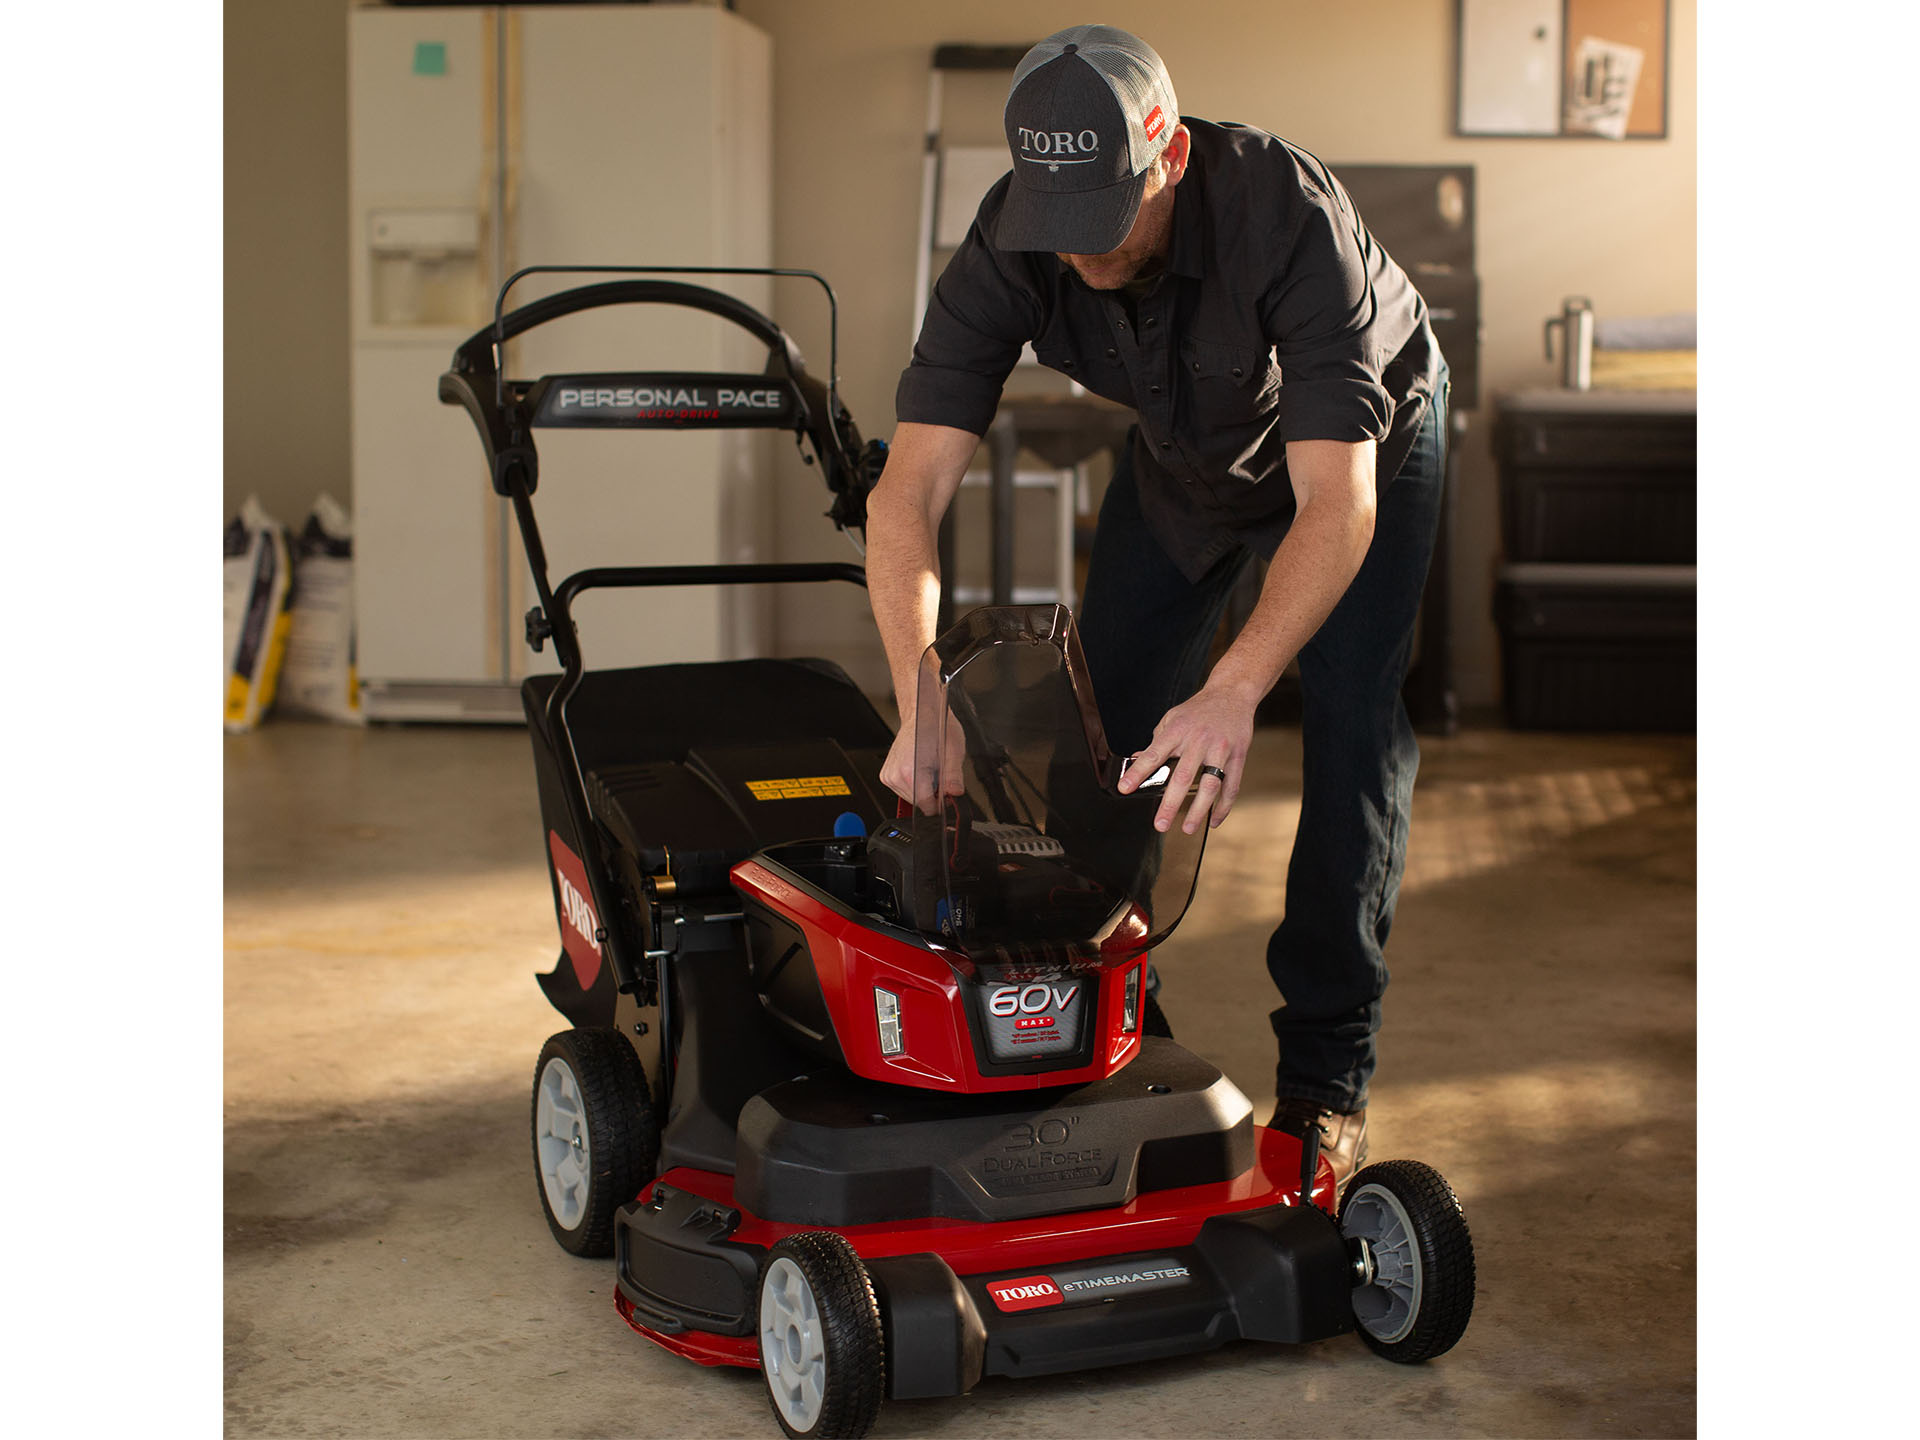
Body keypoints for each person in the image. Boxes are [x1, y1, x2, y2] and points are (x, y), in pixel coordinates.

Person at [864, 24, 1448, 1188]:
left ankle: (1327, 1082)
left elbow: (1336, 504)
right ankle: (1130, 1027)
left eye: (1102, 220)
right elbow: (906, 492)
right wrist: (918, 690)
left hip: (1355, 465)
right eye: (1055, 222)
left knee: (1348, 731)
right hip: (1184, 463)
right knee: (1108, 725)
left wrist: (1234, 689)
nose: (1075, 254)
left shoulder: (1288, 220)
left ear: (1168, 154)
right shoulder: (1012, 236)